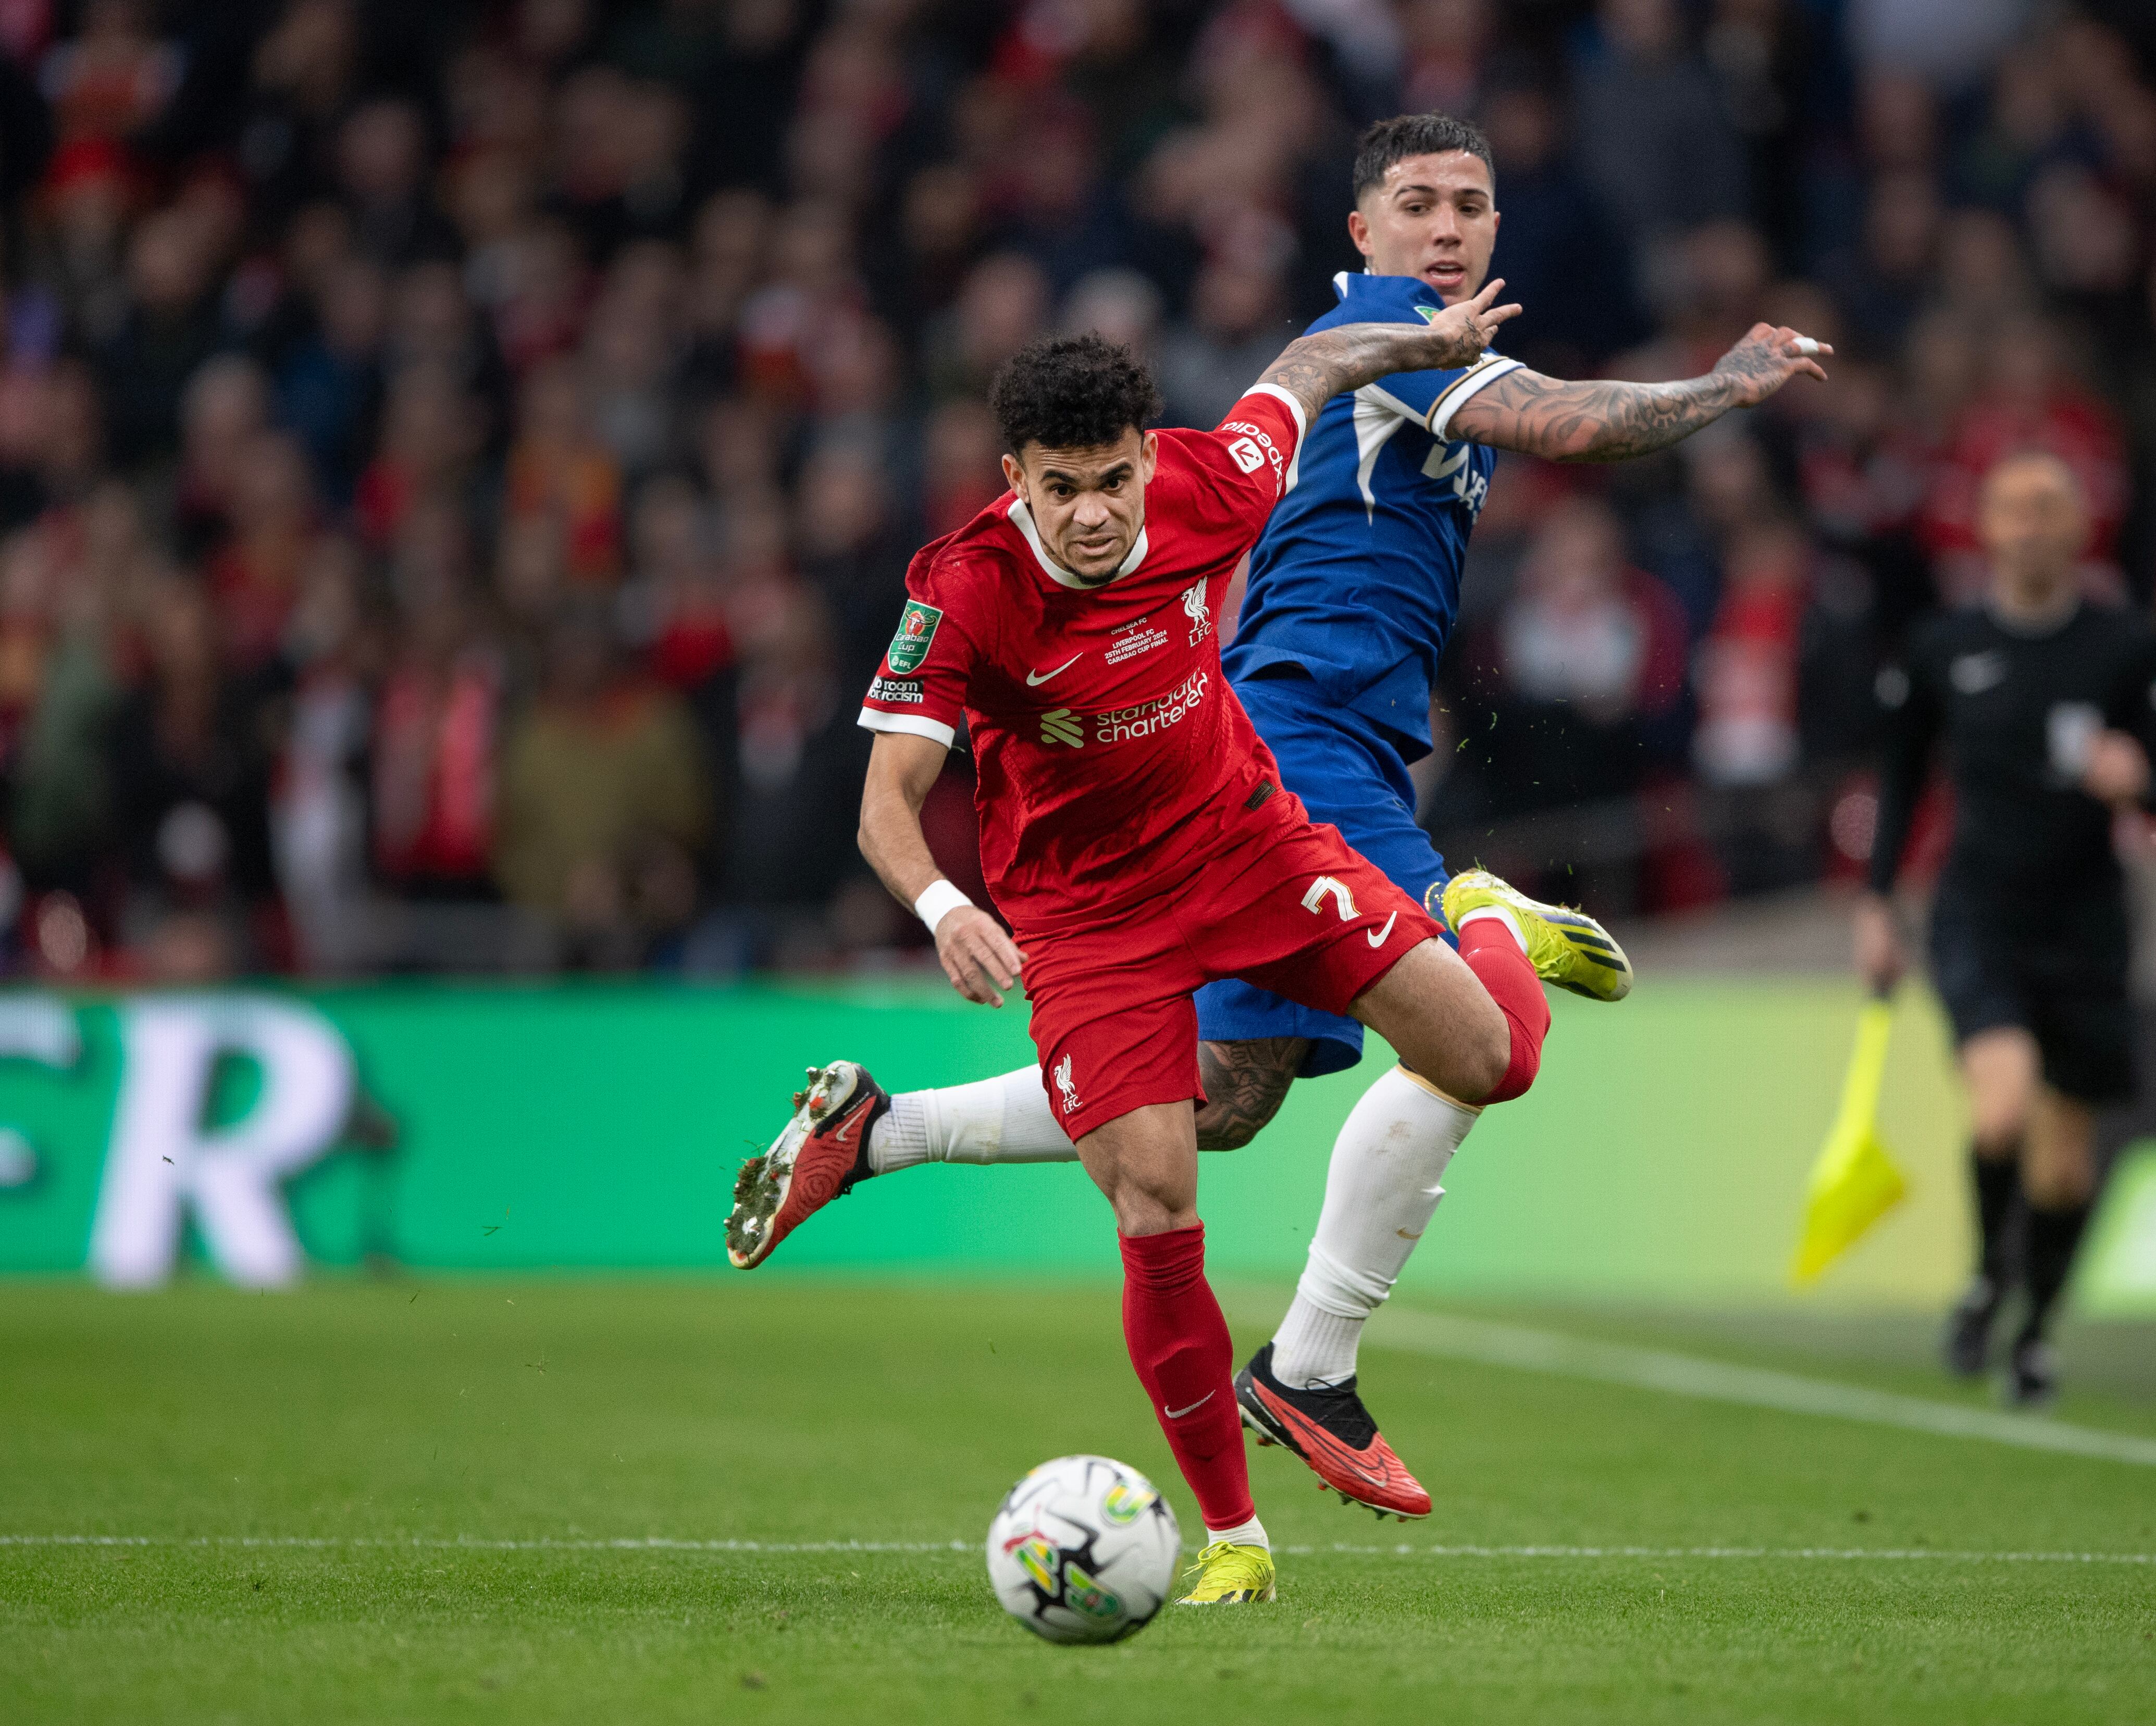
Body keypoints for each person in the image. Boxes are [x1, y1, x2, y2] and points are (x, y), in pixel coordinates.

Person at [723, 114, 1830, 1522]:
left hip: (1331, 729)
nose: (1447, 228)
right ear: (1360, 235)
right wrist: (1726, 384)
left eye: (1472, 206)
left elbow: (1296, 381)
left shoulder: (1383, 343)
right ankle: (1314, 1354)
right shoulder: (1409, 337)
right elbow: (1560, 421)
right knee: (1477, 1043)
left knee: (1225, 1101)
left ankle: (874, 1131)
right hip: (1300, 738)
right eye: (1416, 204)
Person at [730, 299, 1560, 1609]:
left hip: (1251, 847)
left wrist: (1430, 337)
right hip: (1089, 918)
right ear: (1015, 481)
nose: (1097, 514)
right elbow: (884, 804)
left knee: (1492, 1056)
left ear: (1142, 452)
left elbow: (1308, 365)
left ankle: (1486, 913)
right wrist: (948, 907)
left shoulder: (1204, 478)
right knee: (1164, 1190)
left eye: (1114, 477)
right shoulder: (965, 590)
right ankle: (1236, 1537)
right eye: (1061, 490)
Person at [1854, 453, 2156, 1408]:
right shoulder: (1943, 643)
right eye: (2012, 510)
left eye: (2049, 509)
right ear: (1986, 526)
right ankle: (1984, 1275)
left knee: (2062, 1158)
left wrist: (2143, 780)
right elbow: (1901, 780)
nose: (2031, 527)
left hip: (2088, 920)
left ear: (2081, 525)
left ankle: (2038, 1327)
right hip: (1980, 910)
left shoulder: (2128, 646)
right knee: (2001, 1107)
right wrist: (1878, 901)